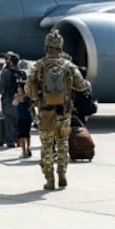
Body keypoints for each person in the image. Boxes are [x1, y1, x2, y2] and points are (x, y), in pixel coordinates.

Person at [25, 30, 87, 190]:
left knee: (46, 146)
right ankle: (62, 174)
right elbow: (81, 86)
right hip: (64, 112)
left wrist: (37, 97)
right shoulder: (68, 65)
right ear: (60, 46)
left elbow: (28, 89)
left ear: (46, 46)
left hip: (45, 112)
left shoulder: (39, 65)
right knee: (62, 143)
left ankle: (49, 179)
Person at [0, 53, 23, 148]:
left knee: (9, 120)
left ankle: (10, 141)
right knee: (17, 120)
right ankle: (18, 140)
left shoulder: (7, 72)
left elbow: (1, 84)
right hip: (19, 99)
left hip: (9, 98)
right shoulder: (21, 73)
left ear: (10, 61)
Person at [14, 83, 34, 158]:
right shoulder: (28, 98)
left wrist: (17, 97)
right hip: (25, 118)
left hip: (23, 118)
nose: (19, 91)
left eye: (20, 89)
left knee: (22, 135)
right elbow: (14, 103)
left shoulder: (25, 98)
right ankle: (28, 148)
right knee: (26, 135)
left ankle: (24, 151)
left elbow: (17, 102)